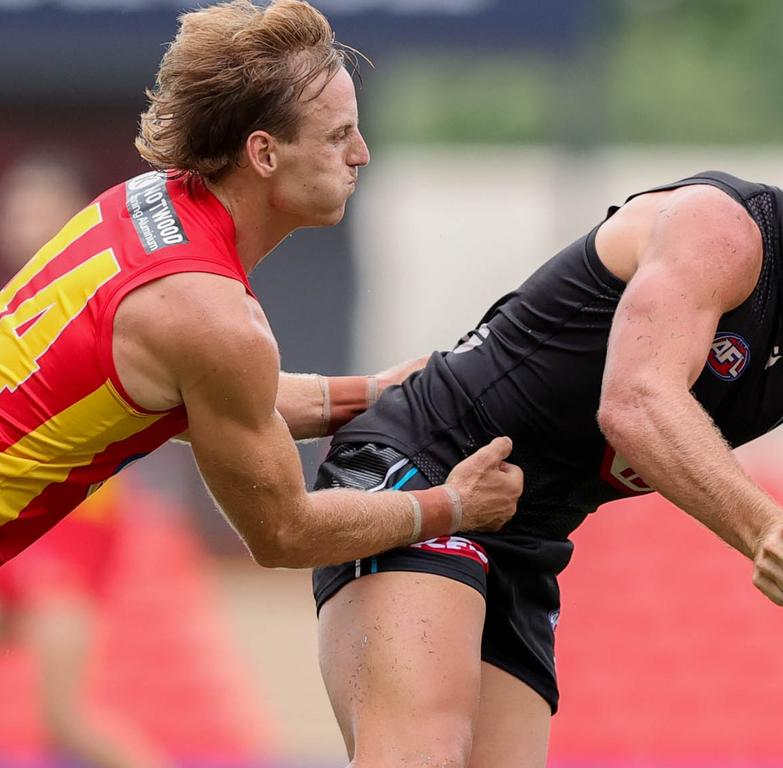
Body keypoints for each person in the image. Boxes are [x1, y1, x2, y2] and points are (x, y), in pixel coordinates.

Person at [312, 40, 783, 766]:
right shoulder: (721, 228)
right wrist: (763, 531)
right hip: (424, 467)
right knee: (421, 757)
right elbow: (635, 402)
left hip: (524, 541)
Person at [0, 0, 523, 569]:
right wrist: (453, 505)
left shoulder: (142, 199)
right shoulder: (212, 318)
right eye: (338, 135)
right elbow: (285, 533)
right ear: (264, 152)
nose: (361, 155)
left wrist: (379, 392)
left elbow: (217, 392)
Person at [0, 153, 170, 768]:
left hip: (67, 525)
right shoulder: (18, 309)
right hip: (26, 509)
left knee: (64, 718)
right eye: (15, 209)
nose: (21, 222)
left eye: (36, 209)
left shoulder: (100, 299)